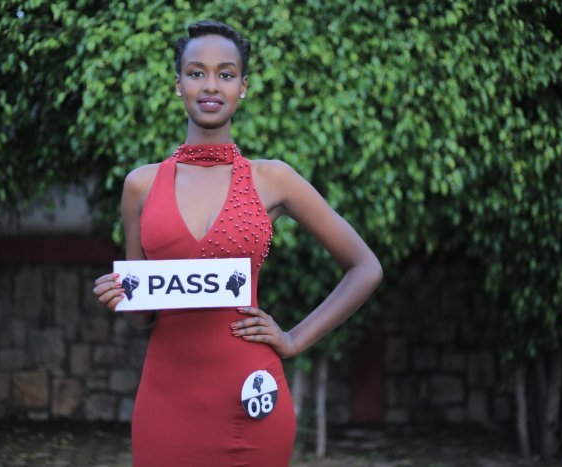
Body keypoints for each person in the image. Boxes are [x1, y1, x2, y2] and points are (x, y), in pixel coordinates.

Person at [93, 19, 382, 466]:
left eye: (225, 74)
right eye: (196, 73)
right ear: (178, 84)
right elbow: (142, 318)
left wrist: (294, 339)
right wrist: (121, 296)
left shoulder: (274, 179)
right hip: (166, 402)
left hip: (250, 398)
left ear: (242, 86)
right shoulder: (140, 186)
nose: (211, 85)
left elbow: (365, 267)